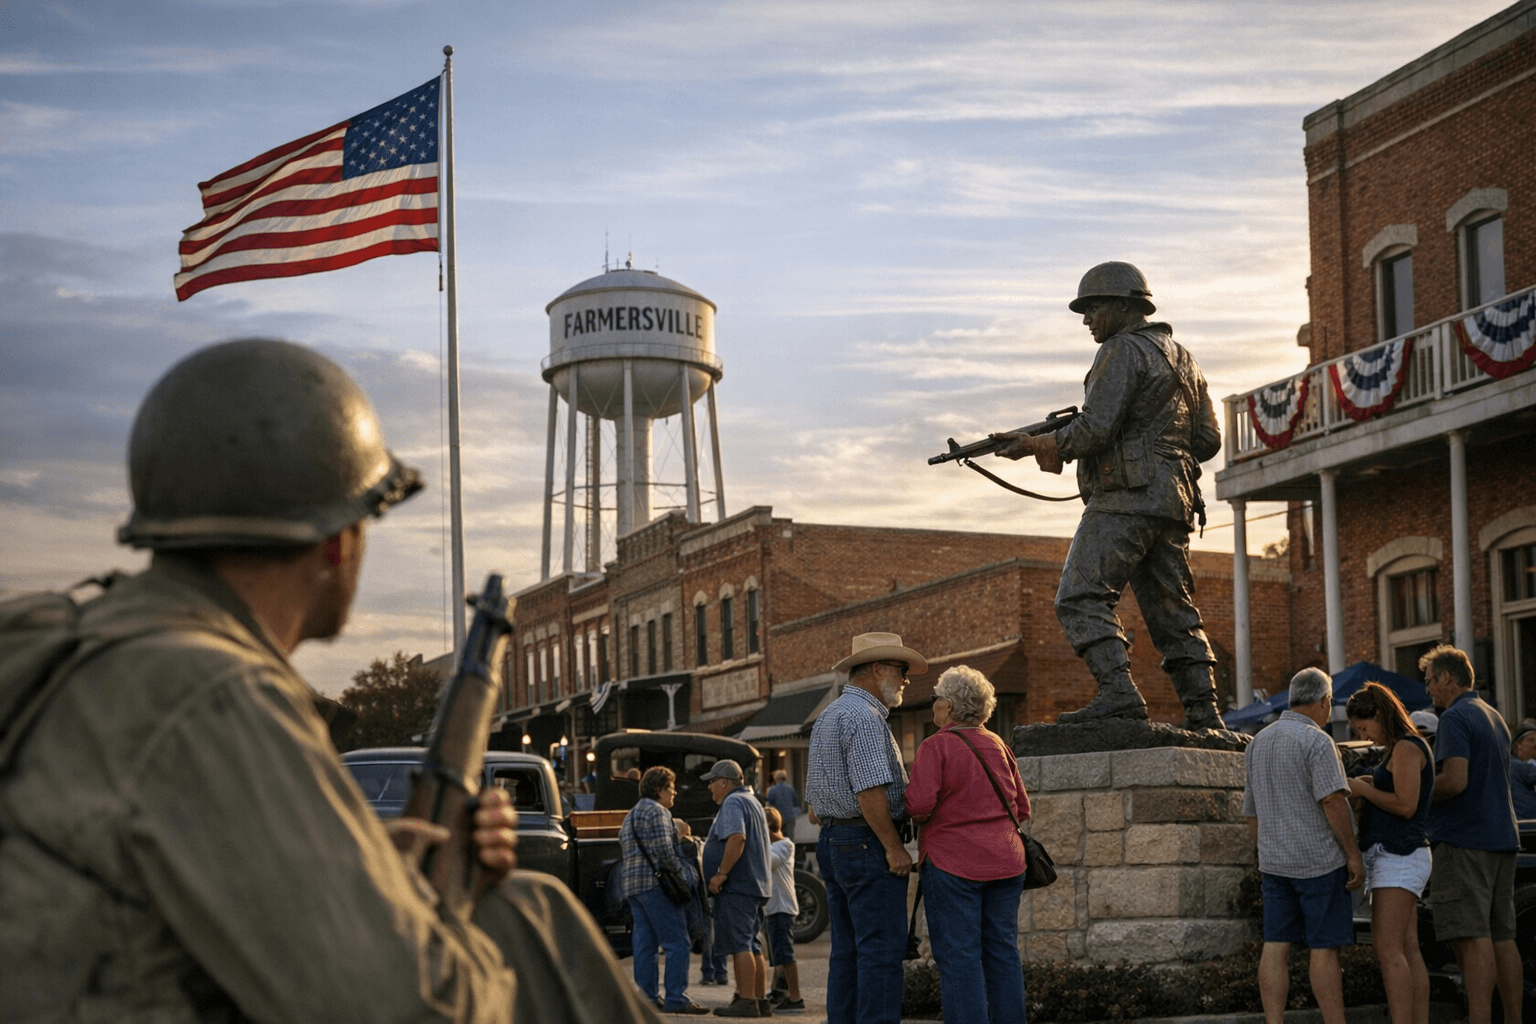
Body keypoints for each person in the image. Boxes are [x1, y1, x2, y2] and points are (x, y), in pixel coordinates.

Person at [0, 339, 509, 1021]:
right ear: (338, 540)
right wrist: (451, 905)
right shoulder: (215, 693)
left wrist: (355, 871)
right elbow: (419, 1007)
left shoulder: (90, 642)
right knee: (531, 934)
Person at [994, 261, 1225, 731]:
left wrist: (1039, 445)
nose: (1086, 319)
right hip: (1174, 502)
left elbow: (1096, 428)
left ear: (1123, 305)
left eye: (1093, 307)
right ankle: (1205, 714)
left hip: (1125, 497)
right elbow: (1207, 441)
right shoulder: (1185, 358)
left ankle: (1118, 693)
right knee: (1174, 614)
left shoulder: (1120, 351)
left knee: (1079, 596)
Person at [806, 631, 923, 1024]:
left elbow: (813, 805)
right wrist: (893, 846)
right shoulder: (866, 718)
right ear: (876, 668)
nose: (906, 678)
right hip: (866, 843)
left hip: (834, 840)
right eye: (900, 669)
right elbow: (869, 791)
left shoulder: (829, 715)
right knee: (882, 952)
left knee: (847, 949)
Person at [904, 666, 1031, 1024]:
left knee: (959, 957)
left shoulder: (936, 746)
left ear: (948, 705)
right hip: (1007, 863)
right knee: (1003, 954)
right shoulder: (998, 744)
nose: (933, 706)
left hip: (952, 864)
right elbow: (1021, 807)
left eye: (935, 699)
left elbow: (919, 806)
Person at [1242, 667, 1365, 1024]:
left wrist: (1265, 852)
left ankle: (1274, 1022)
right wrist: (1353, 854)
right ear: (1325, 701)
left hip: (1275, 864)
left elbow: (1251, 814)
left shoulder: (1258, 742)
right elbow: (1332, 801)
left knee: (1275, 944)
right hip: (1319, 863)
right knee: (1324, 948)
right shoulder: (1317, 741)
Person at [1422, 644, 1522, 1024]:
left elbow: (1455, 780)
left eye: (1430, 681)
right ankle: (1513, 1017)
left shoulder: (1455, 717)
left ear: (1447, 677)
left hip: (1465, 840)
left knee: (1471, 934)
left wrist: (1418, 793)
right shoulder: (1494, 716)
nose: (1429, 689)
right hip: (1502, 837)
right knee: (1502, 936)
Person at [1345, 682, 1432, 1024]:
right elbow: (1395, 788)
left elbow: (1406, 805)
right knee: (1408, 947)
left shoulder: (1407, 749)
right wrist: (1371, 781)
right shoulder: (1398, 749)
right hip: (1402, 854)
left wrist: (1365, 789)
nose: (1364, 735)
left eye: (1364, 728)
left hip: (1400, 854)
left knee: (1387, 948)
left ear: (1380, 716)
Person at [618, 766, 711, 1015]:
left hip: (633, 887)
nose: (674, 794)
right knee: (677, 942)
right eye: (671, 788)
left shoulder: (631, 815)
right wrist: (683, 877)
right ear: (659, 790)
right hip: (656, 886)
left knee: (645, 945)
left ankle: (647, 997)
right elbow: (665, 853)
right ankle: (675, 997)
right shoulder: (658, 813)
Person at [701, 758, 773, 1018]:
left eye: (712, 782)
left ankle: (745, 1000)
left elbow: (737, 837)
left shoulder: (732, 802)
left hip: (738, 884)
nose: (710, 787)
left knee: (741, 943)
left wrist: (721, 874)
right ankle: (759, 999)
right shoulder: (752, 801)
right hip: (755, 883)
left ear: (724, 782)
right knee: (753, 943)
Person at [762, 806, 805, 1014]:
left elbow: (766, 862)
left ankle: (796, 998)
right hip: (774, 908)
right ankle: (780, 989)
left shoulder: (783, 846)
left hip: (782, 907)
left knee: (785, 954)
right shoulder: (773, 845)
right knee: (777, 954)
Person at [1510, 722, 1536, 820]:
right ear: (1518, 745)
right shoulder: (1517, 766)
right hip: (1527, 826)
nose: (1535, 744)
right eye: (1531, 740)